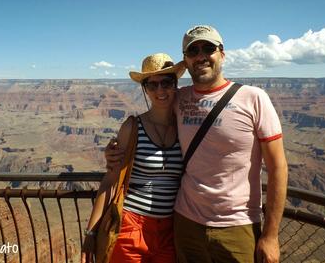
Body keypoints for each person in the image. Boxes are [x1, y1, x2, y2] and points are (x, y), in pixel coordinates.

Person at [106, 25, 288, 263]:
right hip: (184, 225)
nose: (201, 56)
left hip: (236, 226)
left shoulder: (254, 99)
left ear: (221, 53)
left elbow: (278, 168)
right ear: (186, 60)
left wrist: (271, 235)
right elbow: (152, 118)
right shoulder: (178, 98)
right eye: (193, 51)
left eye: (208, 48)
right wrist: (115, 149)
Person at [81, 53, 186, 263]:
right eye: (152, 85)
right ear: (144, 89)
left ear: (175, 85)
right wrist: (91, 234)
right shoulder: (133, 127)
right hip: (130, 226)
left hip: (171, 231)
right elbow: (110, 181)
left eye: (166, 82)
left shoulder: (186, 127)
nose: (160, 90)